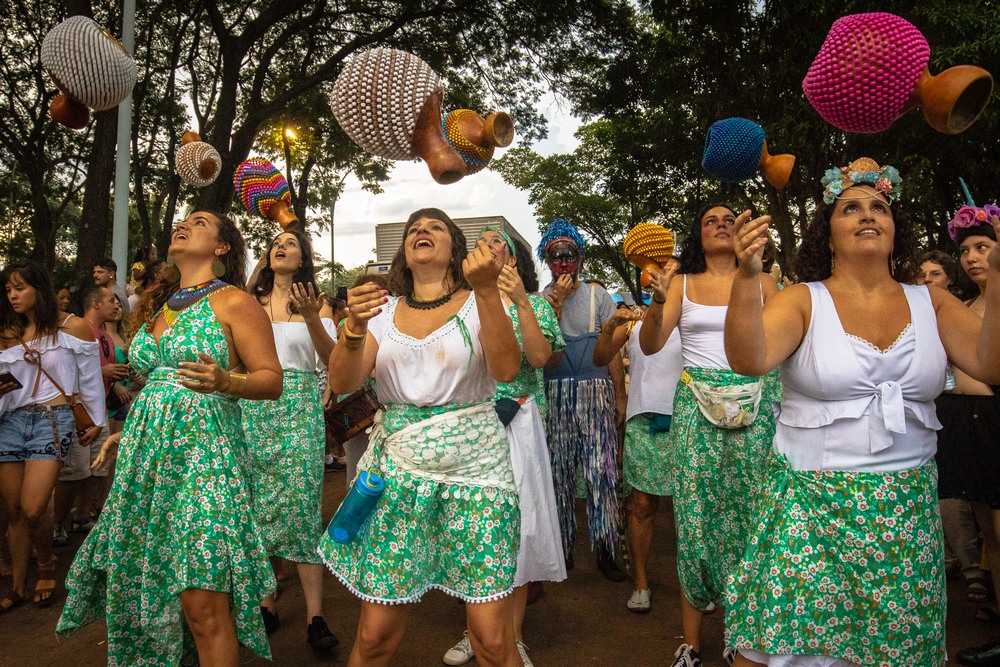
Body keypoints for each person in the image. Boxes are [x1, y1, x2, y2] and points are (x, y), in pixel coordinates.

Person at [721, 159, 1000, 667]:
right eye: (850, 208)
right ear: (828, 231)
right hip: (809, 508)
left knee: (895, 652)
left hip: (905, 517)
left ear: (896, 229)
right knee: (790, 649)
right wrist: (746, 276)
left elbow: (989, 361)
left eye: (880, 207)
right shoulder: (803, 300)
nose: (867, 215)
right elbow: (748, 358)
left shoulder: (931, 302)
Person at [57, 211, 284, 666]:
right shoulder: (160, 306)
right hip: (148, 458)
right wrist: (126, 432)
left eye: (199, 222)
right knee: (158, 586)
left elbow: (271, 379)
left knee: (203, 601)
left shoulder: (235, 303)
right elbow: (155, 385)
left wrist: (226, 382)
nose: (183, 224)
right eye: (182, 220)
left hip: (206, 458)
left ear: (222, 247)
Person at [319, 208, 522, 667]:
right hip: (398, 475)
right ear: (404, 256)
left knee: (491, 639)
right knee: (374, 638)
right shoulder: (382, 313)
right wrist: (353, 327)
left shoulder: (481, 299)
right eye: (412, 229)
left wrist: (488, 290)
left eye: (434, 227)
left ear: (455, 249)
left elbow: (508, 370)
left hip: (477, 475)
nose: (421, 232)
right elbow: (345, 380)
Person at [639, 204, 779, 667]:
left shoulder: (764, 282)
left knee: (753, 521)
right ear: (698, 237)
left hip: (756, 407)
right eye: (710, 221)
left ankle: (742, 640)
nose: (721, 225)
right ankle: (692, 645)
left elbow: (778, 349)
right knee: (695, 521)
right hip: (696, 407)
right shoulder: (680, 283)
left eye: (729, 220)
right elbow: (650, 344)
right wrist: (658, 302)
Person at [443, 226, 567, 667]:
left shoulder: (533, 305)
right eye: (484, 243)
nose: (491, 248)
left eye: (501, 244)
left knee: (515, 530)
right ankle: (477, 634)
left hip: (518, 421)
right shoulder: (459, 305)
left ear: (514, 262)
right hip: (471, 425)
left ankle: (511, 641)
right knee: (472, 531)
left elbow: (538, 359)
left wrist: (517, 301)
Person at [242, 229, 339, 651]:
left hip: (299, 410)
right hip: (252, 407)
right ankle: (266, 603)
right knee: (256, 507)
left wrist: (313, 316)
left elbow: (333, 361)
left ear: (303, 259)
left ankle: (316, 616)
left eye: (292, 244)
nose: (281, 247)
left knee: (301, 509)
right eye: (275, 243)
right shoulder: (247, 305)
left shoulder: (317, 304)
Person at [0, 261, 106, 613]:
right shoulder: (6, 332)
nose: (13, 295)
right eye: (9, 289)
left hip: (54, 419)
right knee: (14, 510)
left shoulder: (72, 326)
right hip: (10, 422)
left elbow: (90, 379)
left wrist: (96, 421)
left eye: (20, 288)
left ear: (39, 289)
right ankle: (17, 585)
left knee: (32, 508)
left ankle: (45, 562)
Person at [593, 257, 685, 614]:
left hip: (691, 417)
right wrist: (609, 326)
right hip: (645, 417)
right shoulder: (634, 318)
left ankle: (697, 582)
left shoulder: (692, 313)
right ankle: (642, 582)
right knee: (644, 505)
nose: (659, 273)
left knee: (691, 507)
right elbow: (602, 356)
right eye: (652, 268)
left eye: (668, 267)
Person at [538, 218, 628, 582]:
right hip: (557, 392)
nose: (562, 263)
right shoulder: (539, 301)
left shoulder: (598, 296)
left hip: (595, 392)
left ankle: (606, 546)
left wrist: (620, 397)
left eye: (568, 255)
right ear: (547, 260)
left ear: (579, 258)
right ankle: (562, 547)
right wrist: (553, 311)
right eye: (555, 256)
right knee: (558, 473)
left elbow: (610, 356)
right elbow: (545, 357)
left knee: (601, 471)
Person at [936, 203, 1000, 663]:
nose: (974, 257)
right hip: (967, 426)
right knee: (989, 535)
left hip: (996, 422)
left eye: (984, 247)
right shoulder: (969, 306)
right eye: (967, 250)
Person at [52, 286, 121, 547]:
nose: (117, 305)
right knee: (75, 472)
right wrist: (104, 372)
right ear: (95, 303)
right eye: (111, 300)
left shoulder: (106, 335)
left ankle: (82, 516)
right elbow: (68, 371)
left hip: (99, 409)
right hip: (77, 409)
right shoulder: (76, 328)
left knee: (99, 467)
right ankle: (58, 523)